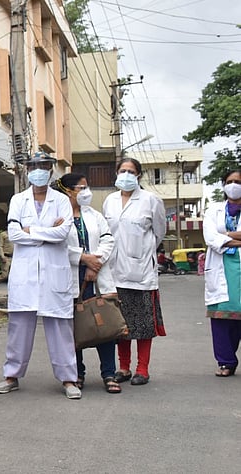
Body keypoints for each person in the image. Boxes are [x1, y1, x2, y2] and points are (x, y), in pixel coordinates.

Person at [0, 152, 81, 399]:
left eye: (44, 166)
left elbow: (62, 234)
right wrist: (46, 231)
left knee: (60, 327)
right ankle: (11, 375)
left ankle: (68, 379)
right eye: (34, 166)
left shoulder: (62, 201)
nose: (39, 170)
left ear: (51, 170)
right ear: (27, 170)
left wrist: (31, 230)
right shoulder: (18, 200)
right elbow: (14, 234)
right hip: (26, 273)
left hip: (54, 274)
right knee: (19, 327)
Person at [52, 173, 121, 394]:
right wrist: (83, 258)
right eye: (82, 188)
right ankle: (77, 373)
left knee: (104, 326)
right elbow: (57, 244)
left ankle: (109, 373)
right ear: (68, 191)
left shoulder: (95, 215)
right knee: (77, 329)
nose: (86, 192)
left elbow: (108, 239)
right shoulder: (58, 218)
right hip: (71, 277)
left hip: (97, 276)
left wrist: (95, 262)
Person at [102, 158, 167, 386]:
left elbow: (159, 232)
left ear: (138, 175)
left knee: (143, 323)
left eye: (131, 171)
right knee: (120, 323)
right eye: (122, 170)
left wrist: (141, 253)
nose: (126, 175)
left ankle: (142, 368)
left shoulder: (151, 200)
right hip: (114, 271)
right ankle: (124, 367)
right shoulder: (109, 201)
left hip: (141, 272)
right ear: (117, 173)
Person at [202, 169, 241, 377]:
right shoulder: (214, 209)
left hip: (238, 267)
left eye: (238, 181)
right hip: (220, 266)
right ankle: (226, 361)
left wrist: (224, 235)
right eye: (229, 181)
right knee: (222, 318)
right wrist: (233, 238)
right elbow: (210, 237)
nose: (233, 185)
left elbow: (218, 237)